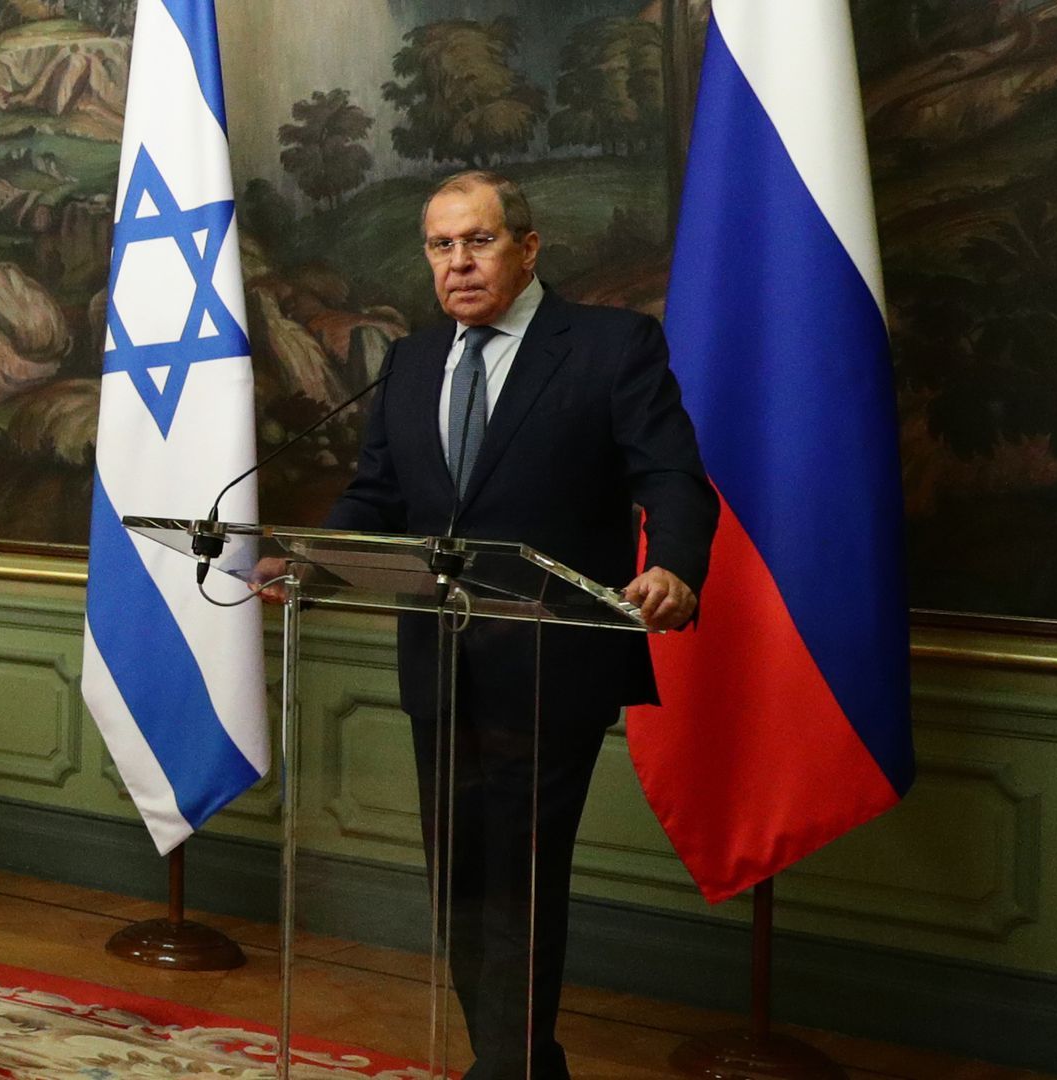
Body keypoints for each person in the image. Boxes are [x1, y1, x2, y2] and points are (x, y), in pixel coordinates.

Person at [260, 171, 718, 1079]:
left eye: (479, 241)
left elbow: (670, 475)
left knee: (520, 878)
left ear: (528, 247)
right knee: (462, 878)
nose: (458, 263)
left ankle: (511, 1068)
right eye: (441, 246)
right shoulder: (412, 360)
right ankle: (512, 1062)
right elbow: (377, 496)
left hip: (552, 664)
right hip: (441, 664)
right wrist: (314, 559)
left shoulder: (610, 345)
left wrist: (673, 563)